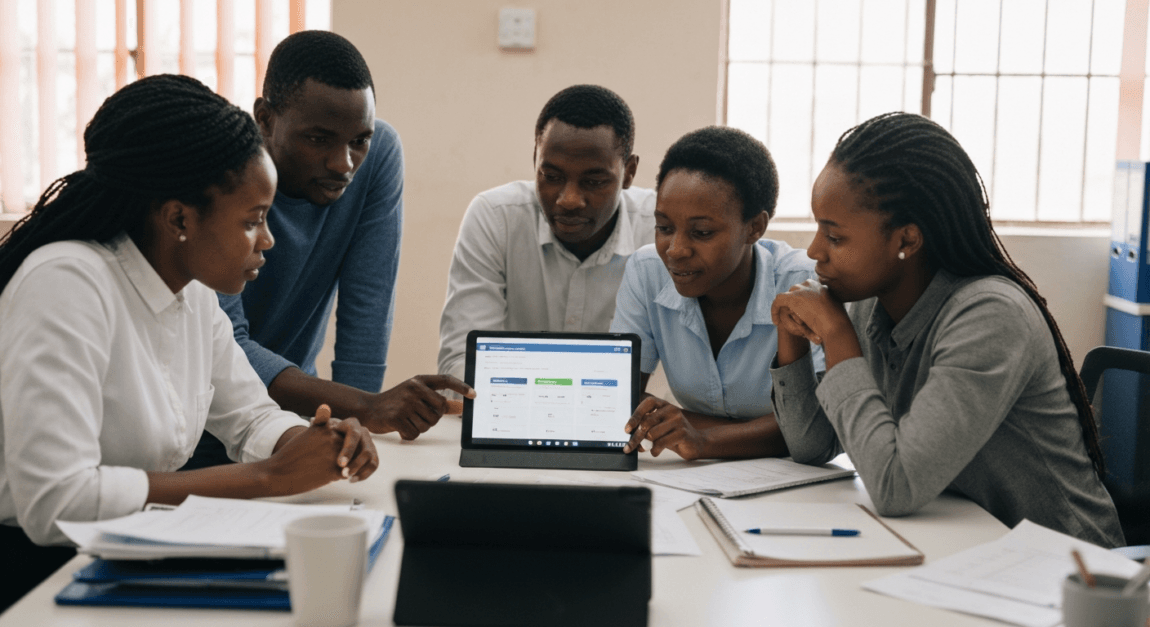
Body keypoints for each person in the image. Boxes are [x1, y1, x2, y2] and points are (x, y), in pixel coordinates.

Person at [0, 74, 379, 611]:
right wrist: (268, 477)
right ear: (179, 217)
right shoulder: (67, 283)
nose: (268, 240)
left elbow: (249, 417)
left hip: (123, 554)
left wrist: (313, 442)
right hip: (32, 578)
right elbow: (55, 501)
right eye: (253, 220)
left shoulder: (192, 294)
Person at [769, 112, 1124, 547]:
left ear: (906, 241)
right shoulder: (868, 306)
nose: (814, 251)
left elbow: (896, 486)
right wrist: (792, 339)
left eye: (835, 237)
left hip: (1065, 571)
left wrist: (839, 339)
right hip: (963, 549)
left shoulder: (990, 316)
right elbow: (810, 446)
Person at [198, 31, 470, 465]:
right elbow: (223, 345)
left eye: (357, 140)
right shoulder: (221, 168)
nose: (343, 163)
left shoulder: (378, 154)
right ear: (265, 120)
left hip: (296, 419)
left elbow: (368, 305)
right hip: (199, 422)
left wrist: (361, 422)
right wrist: (364, 405)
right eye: (318, 139)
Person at [612, 127, 823, 460]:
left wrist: (704, 439)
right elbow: (617, 400)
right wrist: (713, 433)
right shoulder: (646, 271)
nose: (676, 250)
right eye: (664, 227)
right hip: (696, 478)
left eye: (702, 232)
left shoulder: (803, 284)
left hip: (800, 481)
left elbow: (817, 427)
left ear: (755, 227)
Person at [437, 84, 655, 382]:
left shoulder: (660, 232)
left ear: (629, 172)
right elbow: (463, 362)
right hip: (514, 423)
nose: (569, 200)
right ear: (535, 160)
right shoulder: (495, 217)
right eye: (551, 177)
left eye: (593, 181)